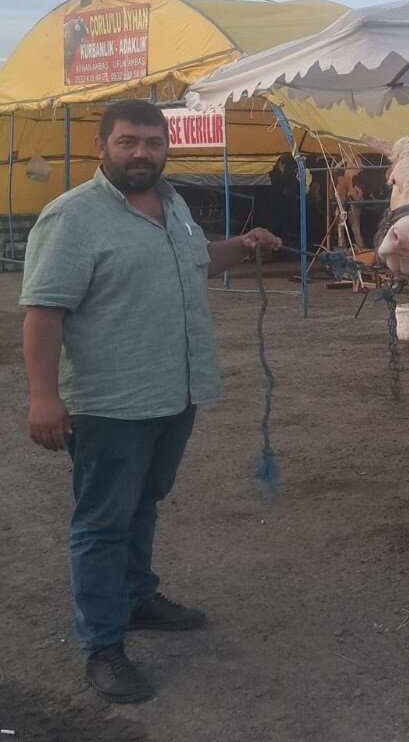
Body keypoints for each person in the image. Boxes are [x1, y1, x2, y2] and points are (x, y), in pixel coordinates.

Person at [21, 99, 282, 704]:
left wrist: (242, 244)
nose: (142, 153)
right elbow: (43, 311)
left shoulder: (174, 204)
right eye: (128, 142)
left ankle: (137, 599)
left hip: (175, 391)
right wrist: (42, 396)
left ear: (168, 147)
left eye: (152, 143)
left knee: (144, 503)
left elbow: (195, 260)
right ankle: (103, 647)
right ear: (101, 146)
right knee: (102, 522)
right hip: (111, 402)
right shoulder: (72, 218)